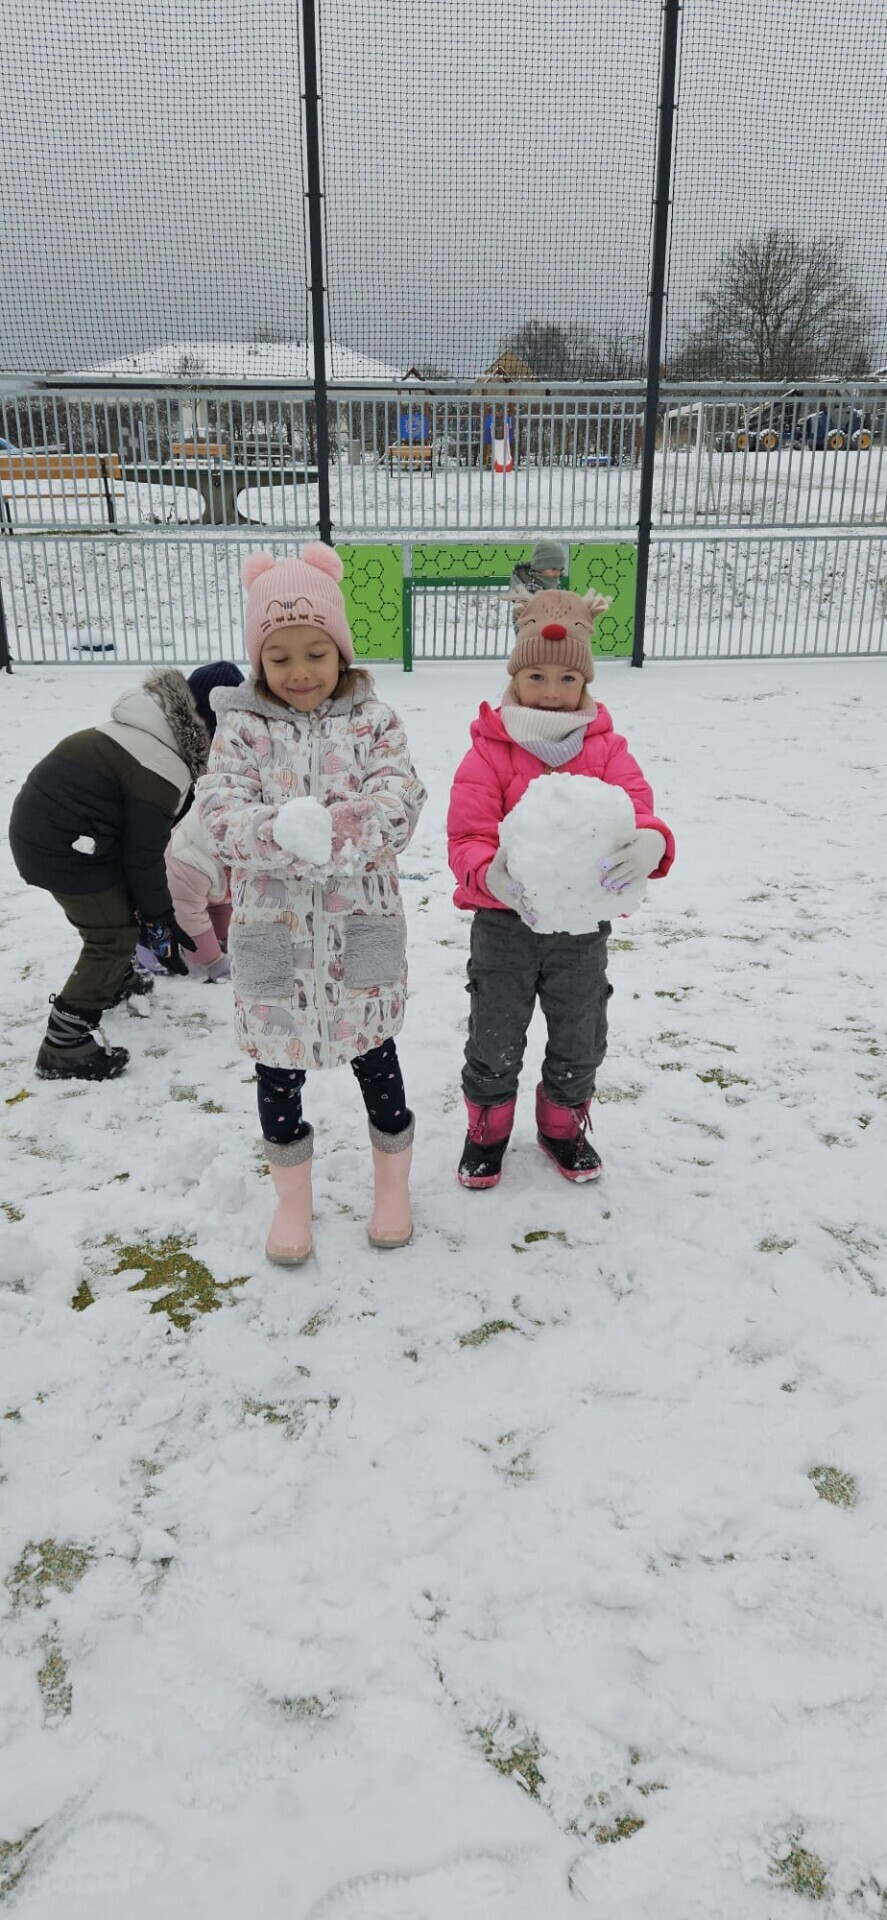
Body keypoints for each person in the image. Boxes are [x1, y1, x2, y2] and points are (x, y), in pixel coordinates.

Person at [196, 543, 427, 1265]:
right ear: (258, 661)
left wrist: (337, 831)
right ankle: (292, 1203)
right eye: (280, 656)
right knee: (276, 1072)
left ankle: (391, 1189)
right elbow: (218, 810)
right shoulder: (241, 728)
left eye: (316, 653)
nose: (299, 671)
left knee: (377, 1058)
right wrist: (278, 834)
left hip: (361, 927)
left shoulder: (374, 721)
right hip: (274, 934)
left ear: (341, 651)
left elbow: (401, 800)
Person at [447, 584, 675, 1190]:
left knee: (580, 1031)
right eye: (537, 676)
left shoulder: (605, 749)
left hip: (580, 928)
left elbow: (639, 810)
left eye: (567, 679)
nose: (551, 691)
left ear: (585, 683)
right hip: (505, 923)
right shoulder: (489, 752)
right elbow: (467, 836)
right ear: (515, 678)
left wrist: (653, 842)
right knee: (495, 1032)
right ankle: (486, 1131)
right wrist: (490, 875)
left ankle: (562, 1126)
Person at [8, 669, 209, 1080]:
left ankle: (113, 979)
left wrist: (152, 912)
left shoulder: (148, 731)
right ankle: (64, 1044)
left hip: (59, 833)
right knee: (112, 936)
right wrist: (160, 919)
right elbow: (143, 857)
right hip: (62, 845)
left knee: (117, 910)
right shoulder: (163, 766)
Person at [163, 663, 245, 982]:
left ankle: (218, 939)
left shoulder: (235, 754)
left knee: (217, 894)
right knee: (187, 899)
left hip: (207, 846)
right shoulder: (180, 758)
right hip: (177, 854)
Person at [509, 539, 568, 630]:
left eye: (560, 569)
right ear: (540, 567)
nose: (558, 573)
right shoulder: (526, 595)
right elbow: (525, 632)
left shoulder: (556, 592)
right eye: (553, 569)